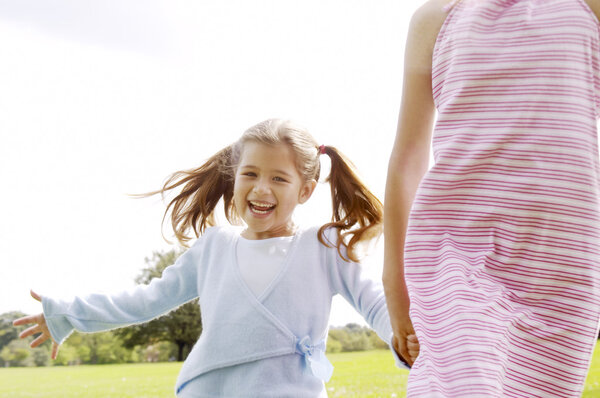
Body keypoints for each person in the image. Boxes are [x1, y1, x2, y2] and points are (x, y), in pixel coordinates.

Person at [13, 118, 418, 397]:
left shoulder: (324, 248)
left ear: (306, 190)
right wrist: (66, 313)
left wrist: (406, 339)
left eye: (279, 178)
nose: (262, 188)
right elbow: (143, 301)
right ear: (234, 176)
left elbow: (378, 305)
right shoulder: (213, 249)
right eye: (251, 174)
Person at [383, 0, 600, 396]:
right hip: (458, 254)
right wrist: (395, 288)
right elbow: (407, 160)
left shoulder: (586, 7)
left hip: (562, 271)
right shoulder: (435, 19)